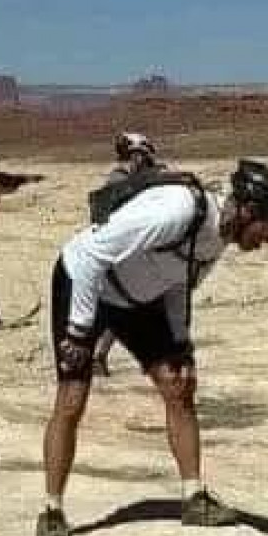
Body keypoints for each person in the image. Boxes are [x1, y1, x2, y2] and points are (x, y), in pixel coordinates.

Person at [36, 159, 268, 536]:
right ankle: (51, 512)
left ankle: (194, 497)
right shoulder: (177, 210)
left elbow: (177, 283)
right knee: (72, 397)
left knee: (180, 385)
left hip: (137, 300)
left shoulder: (216, 238)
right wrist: (80, 333)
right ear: (252, 211)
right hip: (87, 283)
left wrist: (180, 342)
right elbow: (96, 255)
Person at [91, 134, 160, 376]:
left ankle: (98, 354)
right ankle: (97, 355)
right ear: (136, 154)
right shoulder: (121, 179)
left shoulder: (125, 178)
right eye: (144, 156)